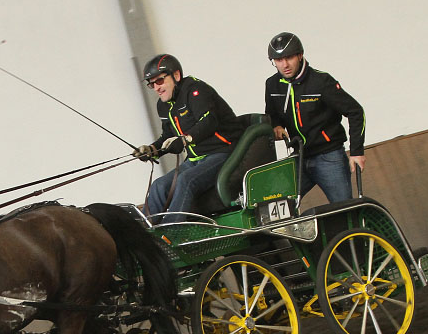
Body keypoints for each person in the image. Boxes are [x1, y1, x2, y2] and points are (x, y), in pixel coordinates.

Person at [133, 54, 244, 222]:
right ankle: (146, 235)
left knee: (186, 181)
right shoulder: (163, 105)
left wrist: (185, 140)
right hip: (195, 159)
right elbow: (168, 135)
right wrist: (152, 150)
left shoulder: (196, 91)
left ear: (176, 76)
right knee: (159, 186)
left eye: (160, 81)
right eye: (151, 84)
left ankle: (170, 236)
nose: (156, 87)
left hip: (223, 153)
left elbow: (209, 121)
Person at [264, 32, 366, 204]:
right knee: (277, 204)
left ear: (300, 55)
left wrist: (357, 151)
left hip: (329, 156)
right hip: (299, 157)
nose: (285, 64)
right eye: (278, 60)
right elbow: (272, 114)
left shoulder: (321, 81)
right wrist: (277, 126)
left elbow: (355, 111)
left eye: (289, 58)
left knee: (344, 209)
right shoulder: (272, 85)